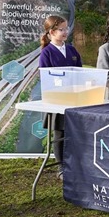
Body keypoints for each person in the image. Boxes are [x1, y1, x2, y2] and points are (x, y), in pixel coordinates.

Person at [39, 15, 82, 180]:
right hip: (56, 100)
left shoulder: (71, 50)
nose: (65, 32)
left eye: (66, 28)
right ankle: (62, 167)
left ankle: (74, 163)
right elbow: (45, 77)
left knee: (73, 132)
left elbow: (79, 70)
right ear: (51, 32)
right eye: (61, 29)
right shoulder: (46, 52)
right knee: (59, 133)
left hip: (73, 98)